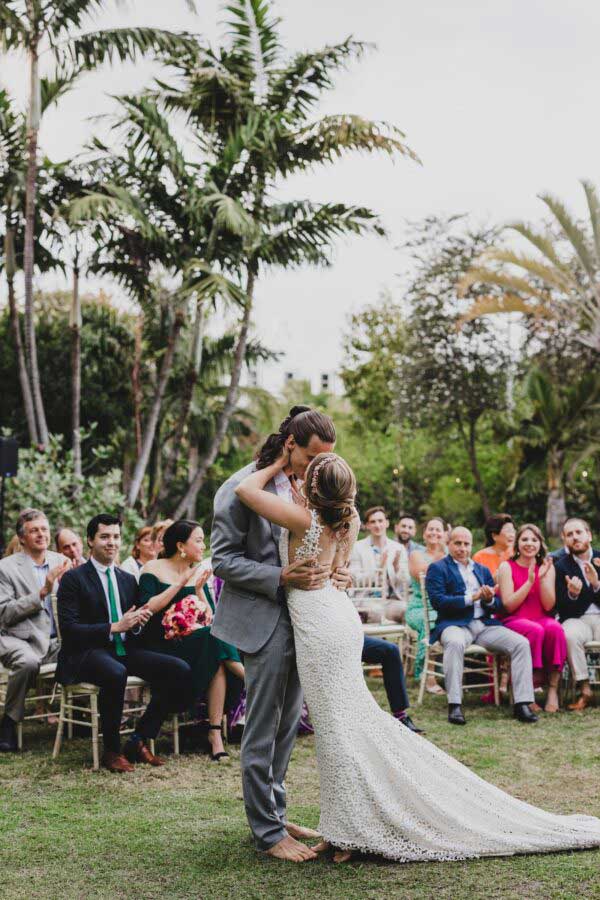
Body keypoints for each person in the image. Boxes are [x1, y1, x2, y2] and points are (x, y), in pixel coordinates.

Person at [234, 452, 600, 863]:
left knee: (337, 732)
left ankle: (352, 830)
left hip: (319, 626)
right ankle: (345, 827)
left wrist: (278, 460)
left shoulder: (303, 520)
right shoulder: (349, 519)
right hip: (339, 616)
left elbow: (244, 489)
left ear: (311, 486)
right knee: (346, 727)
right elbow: (338, 568)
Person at [211, 405, 348, 863]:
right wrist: (281, 576)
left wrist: (333, 574)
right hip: (263, 617)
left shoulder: (309, 484)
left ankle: (275, 811)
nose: (319, 469)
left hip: (304, 621)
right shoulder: (239, 487)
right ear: (291, 445)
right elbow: (224, 561)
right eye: (312, 459)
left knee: (288, 726)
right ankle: (266, 833)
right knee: (263, 728)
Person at [55, 514, 193, 773]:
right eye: (105, 536)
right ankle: (112, 751)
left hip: (123, 651)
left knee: (178, 669)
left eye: (116, 536)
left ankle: (139, 738)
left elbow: (136, 626)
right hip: (85, 653)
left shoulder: (127, 579)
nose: (112, 542)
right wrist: (114, 627)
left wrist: (139, 621)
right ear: (90, 541)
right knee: (115, 673)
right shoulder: (74, 579)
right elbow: (70, 631)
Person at [138, 520, 244, 761]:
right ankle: (248, 677)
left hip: (197, 642)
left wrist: (197, 591)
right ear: (180, 545)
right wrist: (179, 582)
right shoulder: (152, 569)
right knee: (213, 641)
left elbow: (210, 618)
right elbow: (147, 610)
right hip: (161, 646)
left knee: (214, 643)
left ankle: (215, 734)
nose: (203, 545)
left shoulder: (197, 573)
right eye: (198, 540)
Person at [426, 527, 537, 726]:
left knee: (521, 643)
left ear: (471, 545)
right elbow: (439, 602)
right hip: (455, 624)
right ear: (449, 544)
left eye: (466, 544)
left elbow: (497, 606)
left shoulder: (482, 570)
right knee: (454, 643)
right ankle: (455, 704)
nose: (462, 548)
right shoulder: (438, 568)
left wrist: (487, 600)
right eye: (457, 543)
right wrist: (472, 597)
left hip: (484, 625)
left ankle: (522, 703)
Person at [0, 509, 71, 752]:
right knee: (29, 662)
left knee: (92, 651)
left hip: (56, 640)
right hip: (16, 638)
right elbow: (4, 614)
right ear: (21, 538)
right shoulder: (6, 568)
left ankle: (81, 716)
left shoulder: (61, 562)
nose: (41, 534)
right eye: (34, 531)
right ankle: (9, 722)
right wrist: (43, 592)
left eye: (44, 529)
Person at [497, 524, 566, 714]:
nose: (529, 544)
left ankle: (552, 690)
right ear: (517, 543)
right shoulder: (506, 566)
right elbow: (509, 605)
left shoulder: (546, 567)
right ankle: (528, 693)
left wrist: (542, 578)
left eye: (534, 540)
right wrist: (529, 582)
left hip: (540, 617)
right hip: (513, 619)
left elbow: (548, 606)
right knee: (535, 630)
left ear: (540, 544)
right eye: (525, 539)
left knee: (556, 629)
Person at [554, 518, 600, 711]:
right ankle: (585, 689)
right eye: (569, 535)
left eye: (578, 532)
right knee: (568, 633)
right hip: (577, 619)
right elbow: (561, 608)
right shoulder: (560, 566)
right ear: (565, 540)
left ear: (588, 535)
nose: (575, 537)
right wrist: (573, 594)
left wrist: (596, 585)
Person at [405, 518, 447, 693]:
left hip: (441, 606)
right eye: (430, 529)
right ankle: (428, 676)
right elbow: (420, 573)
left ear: (444, 534)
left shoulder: (448, 557)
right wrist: (439, 555)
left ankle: (451, 674)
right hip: (418, 608)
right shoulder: (416, 554)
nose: (434, 533)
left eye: (438, 530)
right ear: (424, 534)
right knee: (429, 620)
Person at [350, 506, 408, 622]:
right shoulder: (357, 547)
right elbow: (356, 580)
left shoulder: (398, 548)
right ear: (367, 525)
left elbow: (405, 581)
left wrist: (396, 568)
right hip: (366, 600)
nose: (377, 525)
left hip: (390, 600)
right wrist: (378, 568)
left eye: (380, 521)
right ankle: (386, 636)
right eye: (373, 522)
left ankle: (405, 639)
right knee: (377, 613)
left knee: (407, 611)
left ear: (386, 523)